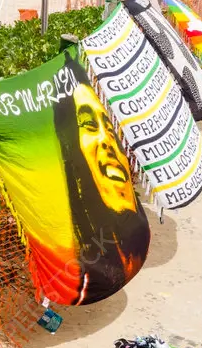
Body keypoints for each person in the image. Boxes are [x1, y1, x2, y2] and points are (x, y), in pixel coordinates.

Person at [53, 71, 151, 305]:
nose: (106, 140)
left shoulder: (129, 244)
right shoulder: (75, 267)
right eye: (87, 124)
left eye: (108, 126)